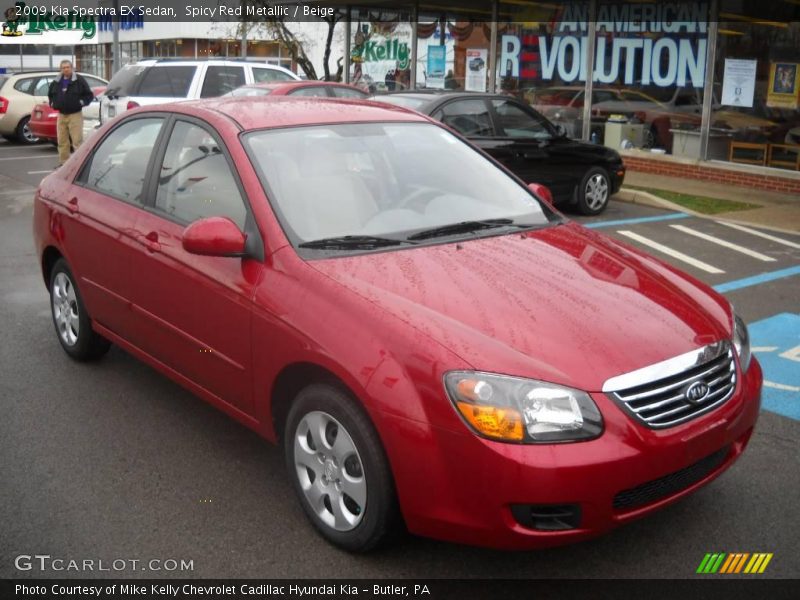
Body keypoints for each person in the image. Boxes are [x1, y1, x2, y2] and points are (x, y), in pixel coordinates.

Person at [48, 60, 94, 166]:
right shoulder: (56, 81)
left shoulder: (79, 80)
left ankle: (79, 165)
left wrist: (81, 102)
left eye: (68, 67)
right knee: (62, 141)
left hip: (75, 115)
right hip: (61, 115)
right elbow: (50, 94)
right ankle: (64, 163)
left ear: (72, 68)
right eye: (63, 67)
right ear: (60, 69)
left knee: (77, 141)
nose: (66, 69)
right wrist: (52, 103)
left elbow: (89, 95)